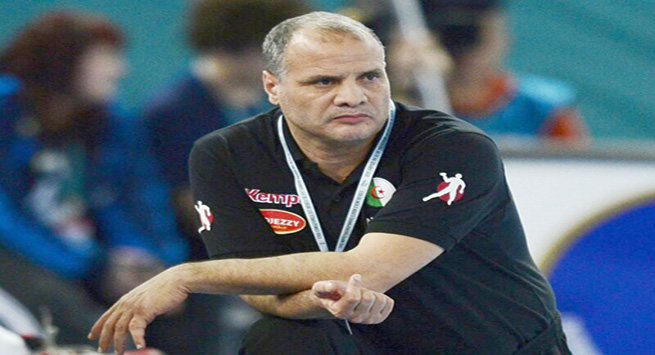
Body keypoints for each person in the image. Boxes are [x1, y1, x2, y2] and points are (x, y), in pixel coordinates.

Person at [90, 11, 570, 354]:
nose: (352, 96)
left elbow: (370, 270)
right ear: (272, 87)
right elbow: (257, 291)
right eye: (324, 82)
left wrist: (188, 276)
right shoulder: (225, 154)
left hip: (493, 343)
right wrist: (321, 302)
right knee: (276, 338)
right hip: (354, 340)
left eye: (369, 77)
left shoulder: (453, 147)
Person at [0, 11, 187, 349]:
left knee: (180, 303)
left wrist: (147, 260)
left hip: (83, 254)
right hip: (23, 258)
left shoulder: (108, 119)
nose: (121, 70)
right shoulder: (5, 107)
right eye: (106, 58)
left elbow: (133, 197)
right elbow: (7, 221)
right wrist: (94, 265)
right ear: (62, 60)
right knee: (70, 309)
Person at [141, 0, 311, 353]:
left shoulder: (260, 102)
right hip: (200, 262)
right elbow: (190, 205)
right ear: (246, 47)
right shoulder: (175, 110)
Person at [382, 0, 588, 143]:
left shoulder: (543, 106)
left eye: (475, 32)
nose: (467, 45)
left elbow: (577, 177)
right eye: (454, 33)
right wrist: (405, 93)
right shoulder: (401, 101)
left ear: (503, 38)